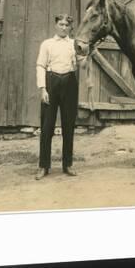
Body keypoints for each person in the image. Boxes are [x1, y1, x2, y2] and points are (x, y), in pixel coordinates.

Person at [35, 14, 84, 180]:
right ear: (56, 25)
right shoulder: (47, 44)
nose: (63, 27)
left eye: (66, 25)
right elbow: (40, 66)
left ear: (70, 27)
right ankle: (43, 166)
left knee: (68, 126)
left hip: (69, 82)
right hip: (51, 82)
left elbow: (82, 63)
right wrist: (43, 89)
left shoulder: (74, 44)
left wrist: (85, 52)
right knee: (47, 126)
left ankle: (67, 164)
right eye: (61, 24)